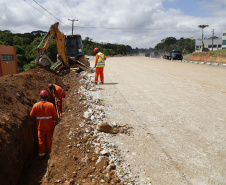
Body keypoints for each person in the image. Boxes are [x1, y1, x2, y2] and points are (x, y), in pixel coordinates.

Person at [30, 90, 58, 159]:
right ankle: (51, 154)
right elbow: (55, 117)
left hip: (40, 127)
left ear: (40, 97)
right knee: (49, 140)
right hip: (50, 127)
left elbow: (31, 115)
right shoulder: (50, 105)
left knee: (41, 141)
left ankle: (41, 155)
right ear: (47, 96)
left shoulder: (36, 105)